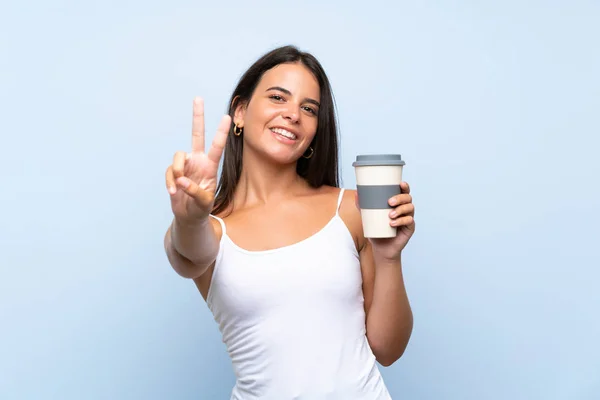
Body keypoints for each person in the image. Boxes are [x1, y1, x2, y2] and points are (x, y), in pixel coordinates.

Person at [163, 45, 416, 400]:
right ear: (240, 111)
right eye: (278, 97)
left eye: (308, 108)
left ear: (314, 132)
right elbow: (186, 253)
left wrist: (390, 257)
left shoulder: (350, 209)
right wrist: (188, 219)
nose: (292, 114)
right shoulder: (211, 229)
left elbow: (388, 349)